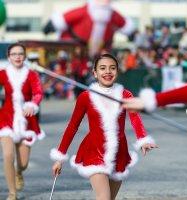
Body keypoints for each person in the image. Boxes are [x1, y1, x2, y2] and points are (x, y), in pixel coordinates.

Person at [50, 54, 157, 200]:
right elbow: (72, 126)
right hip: (94, 151)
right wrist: (59, 157)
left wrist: (143, 139)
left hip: (119, 153)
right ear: (94, 72)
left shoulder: (125, 95)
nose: (108, 72)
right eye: (102, 68)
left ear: (117, 72)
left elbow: (135, 118)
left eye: (112, 68)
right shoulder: (85, 97)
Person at [0, 43, 45, 200]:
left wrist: (33, 104)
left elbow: (38, 92)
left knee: (23, 163)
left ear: (24, 57)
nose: (17, 56)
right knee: (7, 155)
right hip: (6, 119)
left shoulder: (32, 74)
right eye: (14, 54)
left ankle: (19, 172)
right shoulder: (3, 73)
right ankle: (12, 193)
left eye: (20, 54)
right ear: (9, 57)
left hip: (26, 121)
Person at [43, 0, 134, 57]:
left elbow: (125, 26)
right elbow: (64, 19)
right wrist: (52, 25)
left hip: (101, 51)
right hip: (74, 49)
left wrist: (131, 33)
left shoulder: (113, 16)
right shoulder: (83, 12)